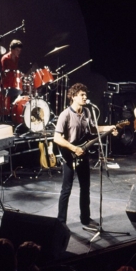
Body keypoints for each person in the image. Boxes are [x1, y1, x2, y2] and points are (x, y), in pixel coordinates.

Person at [54, 83, 117, 227]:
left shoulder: (88, 112)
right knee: (66, 190)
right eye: (82, 95)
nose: (85, 97)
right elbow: (57, 138)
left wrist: (110, 127)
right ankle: (60, 222)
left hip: (83, 155)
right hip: (70, 155)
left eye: (85, 94)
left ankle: (85, 218)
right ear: (74, 96)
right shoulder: (65, 114)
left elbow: (94, 129)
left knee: (85, 187)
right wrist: (73, 148)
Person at [1, 39, 23, 115]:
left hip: (14, 82)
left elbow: (15, 70)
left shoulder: (16, 58)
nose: (19, 52)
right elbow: (5, 73)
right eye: (17, 50)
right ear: (12, 50)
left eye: (19, 51)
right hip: (7, 83)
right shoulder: (5, 58)